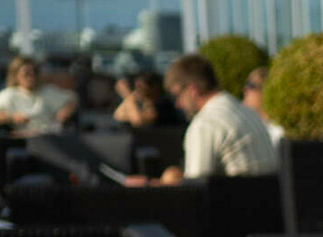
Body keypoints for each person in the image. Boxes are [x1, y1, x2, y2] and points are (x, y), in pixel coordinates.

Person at [127, 55, 278, 186]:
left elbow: (193, 192)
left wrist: (149, 185)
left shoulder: (205, 123)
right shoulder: (246, 111)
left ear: (193, 90)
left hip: (233, 214)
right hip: (266, 210)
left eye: (177, 95)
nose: (178, 104)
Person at [0, 56, 79, 136]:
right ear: (16, 75)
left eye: (35, 72)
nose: (32, 76)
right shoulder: (9, 95)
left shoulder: (48, 91)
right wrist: (11, 117)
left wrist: (65, 112)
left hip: (49, 138)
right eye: (27, 73)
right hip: (23, 140)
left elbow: (72, 99)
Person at [112, 71, 184, 129]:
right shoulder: (143, 103)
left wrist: (128, 96)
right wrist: (130, 98)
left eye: (141, 87)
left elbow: (139, 121)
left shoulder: (162, 104)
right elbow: (119, 116)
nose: (138, 90)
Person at [240, 66, 285, 145]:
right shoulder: (246, 127)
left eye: (251, 85)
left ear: (265, 91)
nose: (245, 89)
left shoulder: (280, 132)